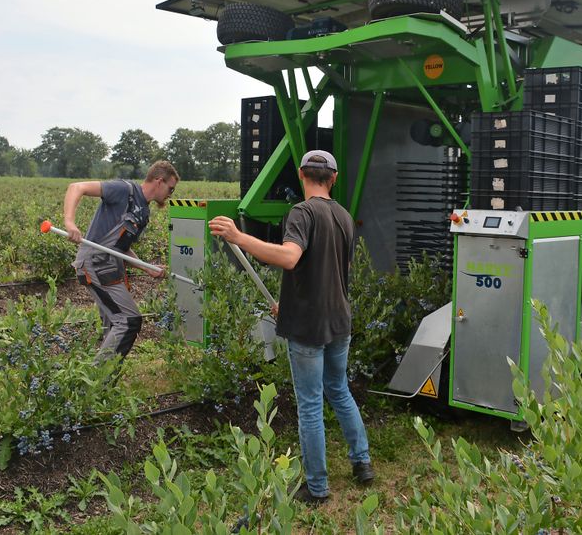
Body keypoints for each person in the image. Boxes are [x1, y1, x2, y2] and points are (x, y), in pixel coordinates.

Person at [208, 150, 374, 505]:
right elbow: (326, 272)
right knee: (339, 390)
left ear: (301, 175)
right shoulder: (343, 215)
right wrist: (291, 301)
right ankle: (362, 463)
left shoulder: (302, 212)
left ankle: (316, 488)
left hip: (309, 327)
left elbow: (290, 257)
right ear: (335, 177)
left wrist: (240, 237)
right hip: (338, 318)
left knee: (311, 405)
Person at [63, 160, 179, 363]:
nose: (171, 194)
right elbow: (76, 187)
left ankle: (102, 386)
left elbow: (120, 248)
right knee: (128, 320)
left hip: (110, 267)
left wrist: (146, 268)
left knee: (114, 324)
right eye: (170, 188)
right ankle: (96, 380)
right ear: (159, 181)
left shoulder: (143, 211)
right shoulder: (123, 190)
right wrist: (69, 222)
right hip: (95, 264)